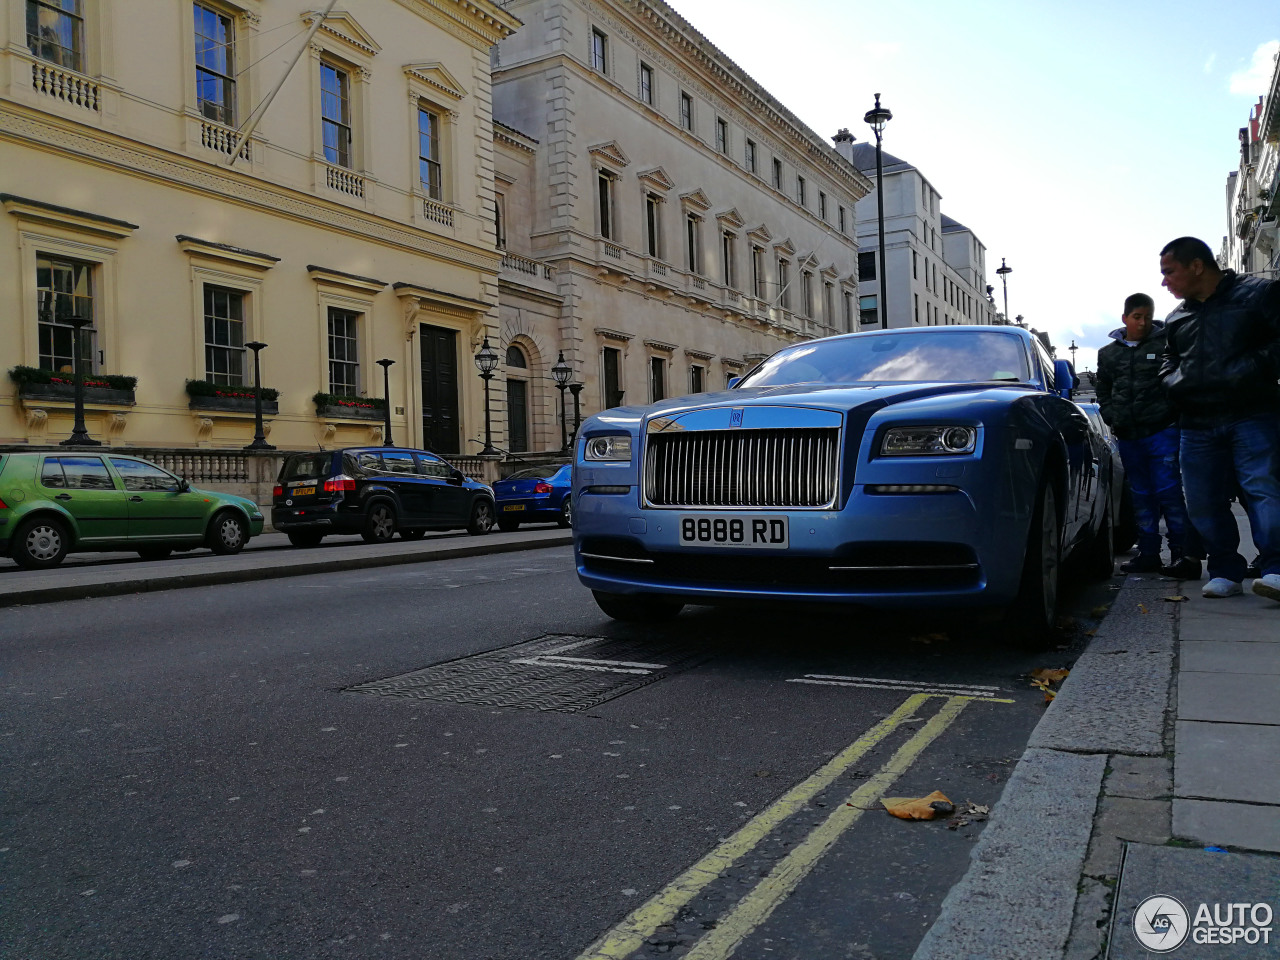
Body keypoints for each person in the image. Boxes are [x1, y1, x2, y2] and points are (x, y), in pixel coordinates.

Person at [1158, 236, 1280, 601]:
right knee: (1202, 500)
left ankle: (1275, 569)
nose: (1165, 282)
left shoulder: (1259, 294)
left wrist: (1242, 370)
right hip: (1196, 421)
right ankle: (1226, 570)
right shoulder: (1177, 317)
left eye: (1169, 272)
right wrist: (1176, 382)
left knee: (1264, 490)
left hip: (1252, 412)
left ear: (1197, 266)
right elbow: (1169, 361)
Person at [1095, 293, 1200, 578]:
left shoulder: (1166, 344)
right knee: (1140, 494)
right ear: (1125, 318)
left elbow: (1179, 379)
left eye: (1146, 317)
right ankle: (1149, 552)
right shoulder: (1108, 354)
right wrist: (1110, 414)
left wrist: (1172, 412)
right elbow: (1103, 387)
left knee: (1169, 492)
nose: (1141, 323)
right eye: (1136, 317)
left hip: (1161, 429)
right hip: (1129, 434)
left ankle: (1181, 553)